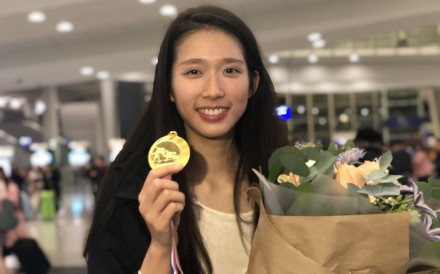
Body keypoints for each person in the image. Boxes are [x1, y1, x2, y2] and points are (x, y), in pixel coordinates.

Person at [84, 5, 288, 274]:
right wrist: (160, 245)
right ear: (168, 86)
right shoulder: (128, 192)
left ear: (253, 83)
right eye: (194, 72)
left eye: (230, 71)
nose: (213, 90)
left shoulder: (288, 182)